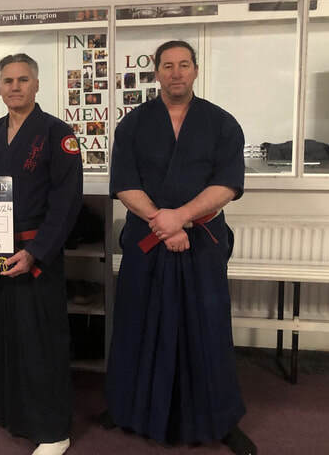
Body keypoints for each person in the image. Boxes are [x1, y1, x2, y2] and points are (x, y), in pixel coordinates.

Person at [103, 40, 257, 455]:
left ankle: (220, 419)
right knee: (137, 324)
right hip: (148, 240)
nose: (176, 73)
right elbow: (124, 184)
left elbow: (228, 184)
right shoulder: (133, 125)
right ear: (156, 72)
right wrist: (164, 222)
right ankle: (128, 409)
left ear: (196, 70)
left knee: (206, 329)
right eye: (168, 65)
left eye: (184, 64)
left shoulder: (222, 123)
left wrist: (182, 216)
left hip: (202, 242)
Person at [0, 53, 83, 455]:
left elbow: (66, 202)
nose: (15, 87)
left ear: (36, 84)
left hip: (35, 253)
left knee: (39, 340)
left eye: (23, 79)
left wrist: (36, 252)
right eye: (8, 81)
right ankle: (8, 404)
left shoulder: (58, 133)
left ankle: (53, 431)